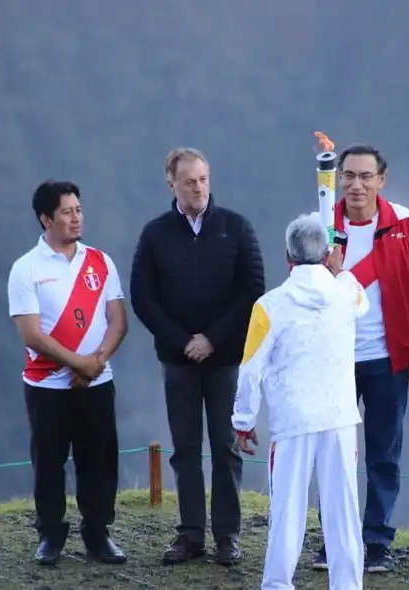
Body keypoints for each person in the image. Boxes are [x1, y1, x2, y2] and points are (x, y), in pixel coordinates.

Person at [129, 147, 265, 566]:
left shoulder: (236, 227)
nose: (198, 187)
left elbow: (253, 289)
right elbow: (142, 297)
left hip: (225, 360)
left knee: (225, 447)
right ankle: (190, 534)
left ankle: (228, 536)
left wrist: (212, 338)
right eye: (189, 180)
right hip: (177, 360)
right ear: (171, 183)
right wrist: (183, 340)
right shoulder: (155, 234)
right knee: (185, 448)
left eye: (204, 179)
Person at [313, 143, 409, 574]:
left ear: (381, 180)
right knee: (335, 454)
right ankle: (334, 539)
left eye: (366, 176)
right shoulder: (319, 226)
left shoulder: (404, 224)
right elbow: (298, 292)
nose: (356, 184)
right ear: (338, 179)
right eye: (348, 175)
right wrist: (324, 272)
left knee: (383, 454)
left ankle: (377, 540)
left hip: (388, 358)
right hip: (335, 360)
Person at [232, 213, 369, 590]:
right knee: (343, 510)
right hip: (340, 420)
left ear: (287, 256)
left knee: (288, 512)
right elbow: (362, 302)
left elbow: (249, 369)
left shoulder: (270, 306)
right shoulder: (345, 295)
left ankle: (277, 584)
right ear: (327, 255)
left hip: (293, 423)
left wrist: (243, 419)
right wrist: (340, 270)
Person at [6, 180, 129, 566]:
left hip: (96, 381)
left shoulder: (100, 261)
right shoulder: (26, 268)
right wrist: (79, 364)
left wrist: (97, 361)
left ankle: (97, 533)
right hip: (48, 384)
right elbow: (31, 333)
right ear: (46, 219)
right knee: (49, 461)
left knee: (99, 457)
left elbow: (118, 320)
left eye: (78, 210)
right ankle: (51, 535)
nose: (76, 218)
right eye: (66, 212)